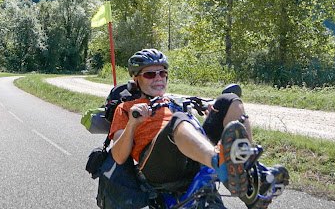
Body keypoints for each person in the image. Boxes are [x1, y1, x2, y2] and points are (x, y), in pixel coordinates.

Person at [108, 48, 288, 209]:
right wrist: (133, 122)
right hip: (155, 167)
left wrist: (210, 113)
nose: (158, 78)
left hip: (188, 155)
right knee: (177, 121)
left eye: (162, 73)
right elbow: (118, 156)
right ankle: (222, 164)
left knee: (228, 100)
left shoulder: (172, 101)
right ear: (136, 79)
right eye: (149, 74)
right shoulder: (126, 109)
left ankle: (249, 177)